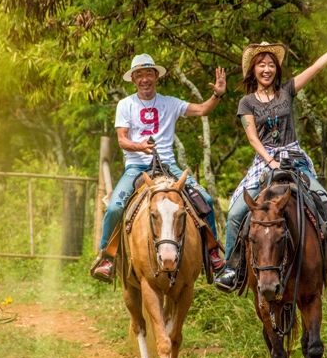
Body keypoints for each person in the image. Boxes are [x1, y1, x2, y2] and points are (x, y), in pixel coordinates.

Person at [214, 33, 327, 292]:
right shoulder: (246, 102)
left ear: (277, 68)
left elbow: (316, 67)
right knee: (236, 212)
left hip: (294, 159)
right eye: (261, 64)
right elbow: (252, 138)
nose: (267, 69)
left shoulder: (287, 91)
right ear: (253, 70)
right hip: (264, 162)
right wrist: (271, 162)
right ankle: (232, 268)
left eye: (271, 64)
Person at [91, 53, 226, 282]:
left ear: (156, 76)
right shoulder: (125, 104)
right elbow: (122, 140)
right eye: (139, 75)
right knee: (114, 207)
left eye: (148, 73)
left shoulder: (170, 103)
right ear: (133, 79)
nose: (144, 79)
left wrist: (217, 94)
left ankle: (213, 255)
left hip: (167, 165)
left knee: (205, 199)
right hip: (136, 167)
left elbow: (202, 109)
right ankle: (106, 257)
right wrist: (140, 146)